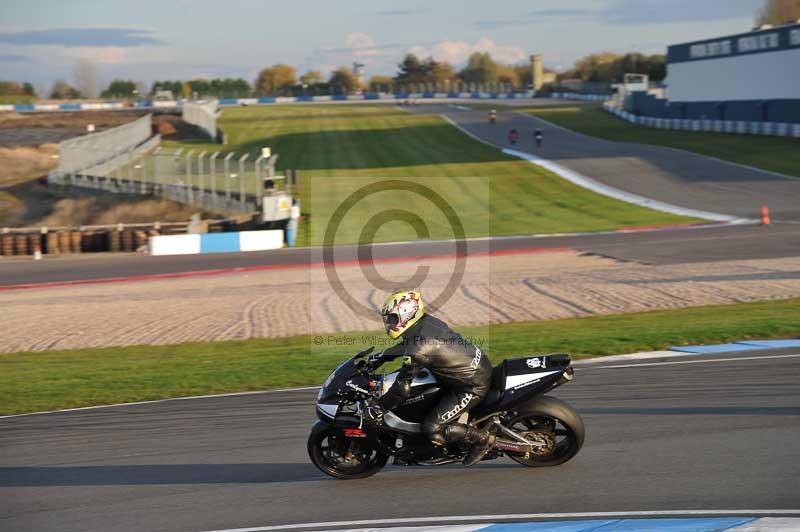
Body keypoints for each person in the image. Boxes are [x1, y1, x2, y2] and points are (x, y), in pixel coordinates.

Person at [370, 289, 495, 466]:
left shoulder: (419, 350)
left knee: (432, 427)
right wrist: (379, 358)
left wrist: (379, 408)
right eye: (387, 319)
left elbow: (401, 389)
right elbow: (406, 345)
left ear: (406, 315)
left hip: (471, 385)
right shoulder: (426, 323)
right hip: (472, 366)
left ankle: (483, 440)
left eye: (392, 318)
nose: (389, 324)